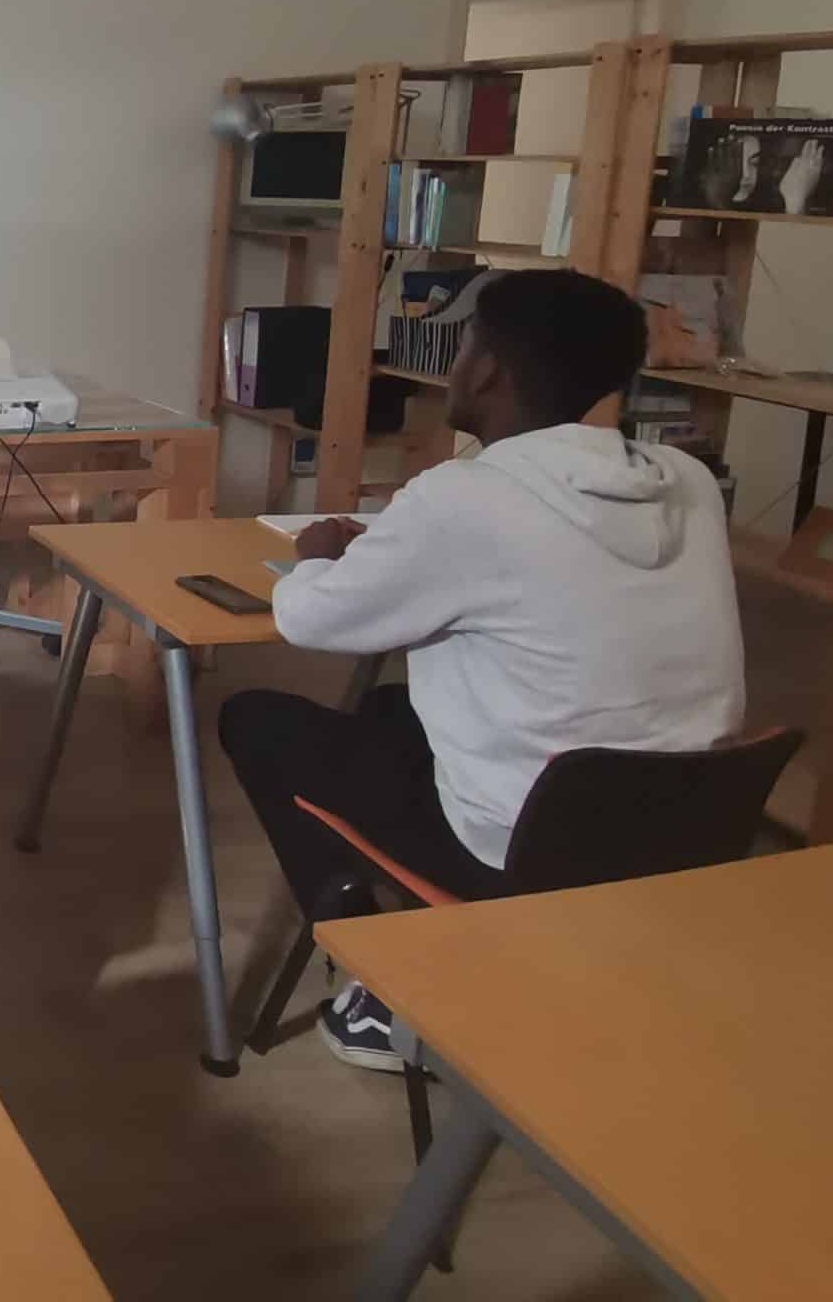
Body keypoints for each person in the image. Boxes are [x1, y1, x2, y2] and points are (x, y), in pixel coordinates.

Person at [218, 269, 743, 1071]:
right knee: (391, 708)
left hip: (535, 850)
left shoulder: (465, 497)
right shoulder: (690, 482)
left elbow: (309, 620)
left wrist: (318, 553)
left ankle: (394, 984)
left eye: (464, 346)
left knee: (256, 719)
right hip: (686, 829)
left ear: (489, 368)